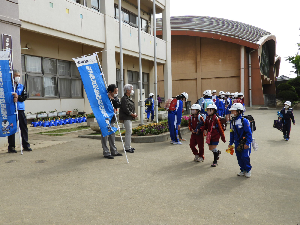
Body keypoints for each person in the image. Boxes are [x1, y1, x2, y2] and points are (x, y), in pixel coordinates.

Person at [8, 70, 32, 153]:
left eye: (19, 75)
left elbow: (24, 97)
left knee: (23, 127)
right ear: (12, 76)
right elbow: (6, 98)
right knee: (12, 128)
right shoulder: (8, 86)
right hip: (11, 110)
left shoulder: (21, 86)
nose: (17, 77)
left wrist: (18, 97)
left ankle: (25, 145)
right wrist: (13, 98)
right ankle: (11, 147)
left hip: (20, 109)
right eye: (16, 75)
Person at [228, 103, 252, 178]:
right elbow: (232, 132)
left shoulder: (244, 121)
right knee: (239, 156)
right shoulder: (232, 121)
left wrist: (248, 143)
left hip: (244, 142)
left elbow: (249, 133)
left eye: (233, 111)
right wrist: (231, 142)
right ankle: (242, 169)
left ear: (239, 111)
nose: (232, 113)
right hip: (237, 142)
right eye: (231, 111)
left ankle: (248, 169)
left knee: (245, 156)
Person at [100, 84, 123, 159]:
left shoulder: (115, 97)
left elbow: (118, 105)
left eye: (117, 91)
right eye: (115, 91)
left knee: (112, 134)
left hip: (112, 119)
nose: (116, 92)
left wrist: (112, 99)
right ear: (110, 91)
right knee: (105, 135)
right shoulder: (103, 97)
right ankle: (106, 152)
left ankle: (114, 151)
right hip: (105, 119)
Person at [119, 84, 137, 153]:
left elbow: (131, 107)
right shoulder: (124, 98)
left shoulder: (128, 98)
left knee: (129, 132)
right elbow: (125, 109)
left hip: (129, 117)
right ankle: (127, 147)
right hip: (126, 117)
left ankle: (128, 146)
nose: (132, 90)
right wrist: (132, 114)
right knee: (128, 132)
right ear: (127, 90)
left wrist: (134, 113)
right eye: (131, 89)